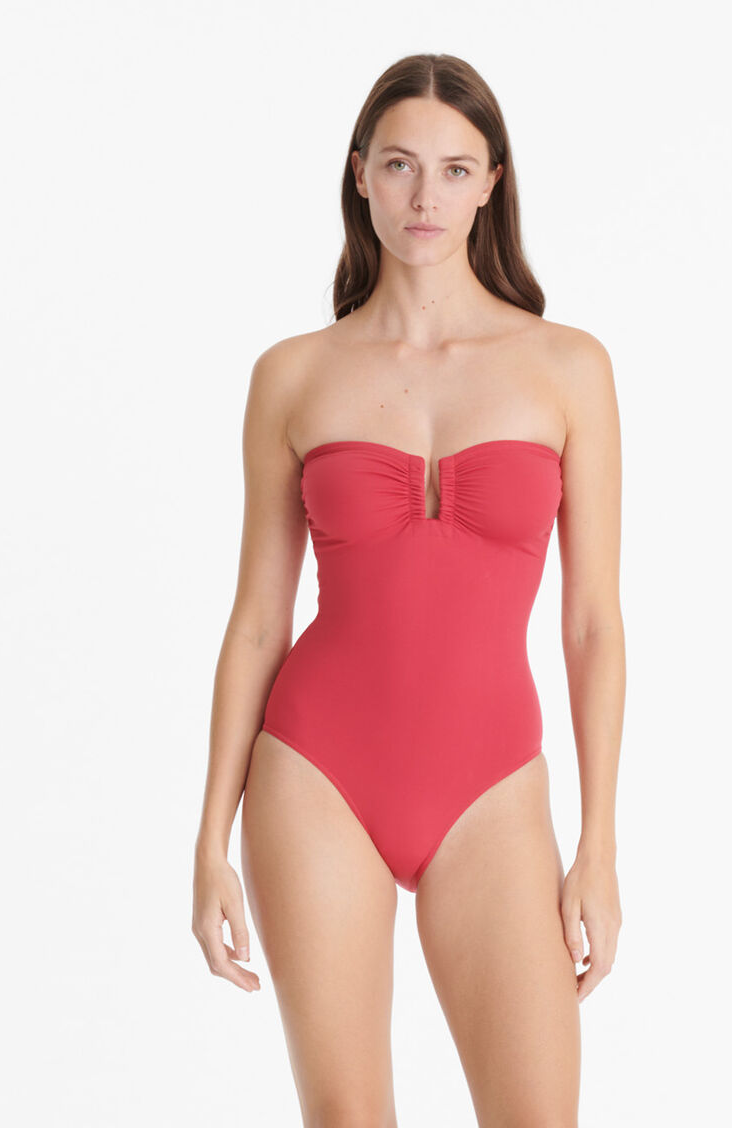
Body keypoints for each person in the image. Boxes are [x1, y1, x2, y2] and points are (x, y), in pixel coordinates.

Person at [192, 52, 624, 1128]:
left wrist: (598, 843)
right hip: (315, 774)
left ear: (491, 183)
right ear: (360, 175)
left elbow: (591, 624)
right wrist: (208, 840)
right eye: (398, 165)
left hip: (493, 788)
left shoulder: (568, 368)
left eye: (453, 169)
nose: (424, 196)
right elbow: (257, 624)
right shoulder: (292, 374)